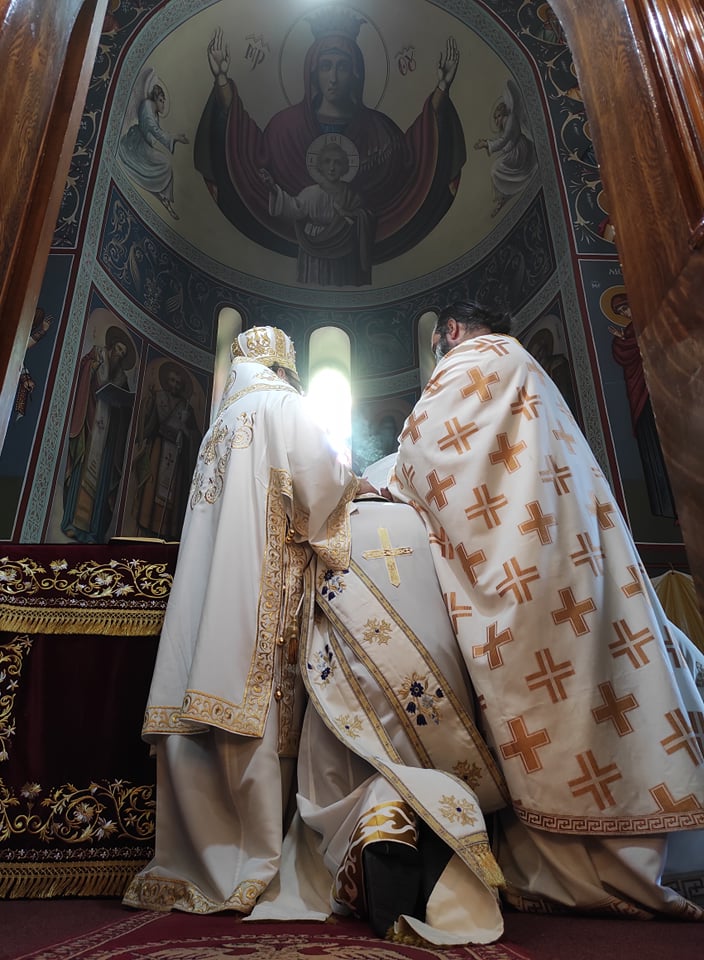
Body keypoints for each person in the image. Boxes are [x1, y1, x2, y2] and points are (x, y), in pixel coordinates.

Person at [385, 300, 704, 920]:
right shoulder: (530, 368)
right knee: (610, 700)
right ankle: (636, 860)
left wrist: (391, 485)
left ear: (450, 332)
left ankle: (560, 870)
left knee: (546, 709)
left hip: (522, 569)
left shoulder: (468, 364)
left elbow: (425, 457)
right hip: (576, 556)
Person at [122, 326, 377, 917]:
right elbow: (325, 480)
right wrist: (358, 488)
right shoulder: (283, 404)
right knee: (251, 704)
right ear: (284, 369)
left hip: (206, 604)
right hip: (258, 592)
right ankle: (248, 869)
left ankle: (187, 866)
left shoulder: (219, 424)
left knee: (205, 696)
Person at [194, 10, 465, 267]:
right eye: (325, 66)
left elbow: (412, 160)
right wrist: (222, 81)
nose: (333, 78)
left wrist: (441, 89)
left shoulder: (379, 128)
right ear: (313, 72)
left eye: (342, 67)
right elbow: (249, 152)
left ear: (356, 72)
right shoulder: (285, 127)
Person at [260, 136, 375, 286]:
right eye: (327, 161)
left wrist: (349, 214)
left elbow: (366, 218)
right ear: (320, 165)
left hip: (343, 251)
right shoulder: (310, 193)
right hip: (313, 248)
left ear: (345, 167)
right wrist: (273, 189)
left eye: (337, 162)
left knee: (340, 285)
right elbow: (293, 208)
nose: (332, 167)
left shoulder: (352, 194)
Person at [61, 324, 136, 543]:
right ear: (111, 346)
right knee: (82, 470)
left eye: (123, 353)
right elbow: (85, 370)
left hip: (106, 434)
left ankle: (93, 531)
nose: (119, 354)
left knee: (101, 477)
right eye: (118, 349)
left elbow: (123, 407)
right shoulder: (97, 354)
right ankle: (72, 523)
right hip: (90, 423)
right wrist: (92, 368)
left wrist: (123, 404)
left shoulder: (122, 377)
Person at [134, 361, 203, 540]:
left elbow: (197, 438)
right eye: (172, 380)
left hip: (175, 455)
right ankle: (144, 527)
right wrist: (148, 405)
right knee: (152, 486)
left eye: (178, 383)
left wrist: (186, 429)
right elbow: (149, 423)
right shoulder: (159, 398)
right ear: (166, 381)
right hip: (158, 449)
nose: (174, 385)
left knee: (171, 494)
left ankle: (164, 533)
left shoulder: (186, 408)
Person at [118, 79, 189, 220]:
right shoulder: (147, 106)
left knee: (166, 165)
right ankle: (161, 195)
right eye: (161, 100)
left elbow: (156, 132)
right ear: (155, 98)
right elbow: (155, 130)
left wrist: (172, 137)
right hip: (138, 144)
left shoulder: (153, 111)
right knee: (165, 164)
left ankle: (165, 198)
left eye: (164, 101)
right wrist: (174, 137)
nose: (163, 104)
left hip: (145, 144)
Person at [474, 78, 537, 216]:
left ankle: (504, 194)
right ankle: (503, 196)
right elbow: (506, 143)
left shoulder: (510, 119)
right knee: (496, 169)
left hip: (520, 150)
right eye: (495, 118)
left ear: (502, 114)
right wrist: (490, 145)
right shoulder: (506, 123)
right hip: (515, 150)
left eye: (497, 117)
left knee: (496, 169)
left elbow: (504, 140)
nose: (496, 121)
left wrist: (486, 144)